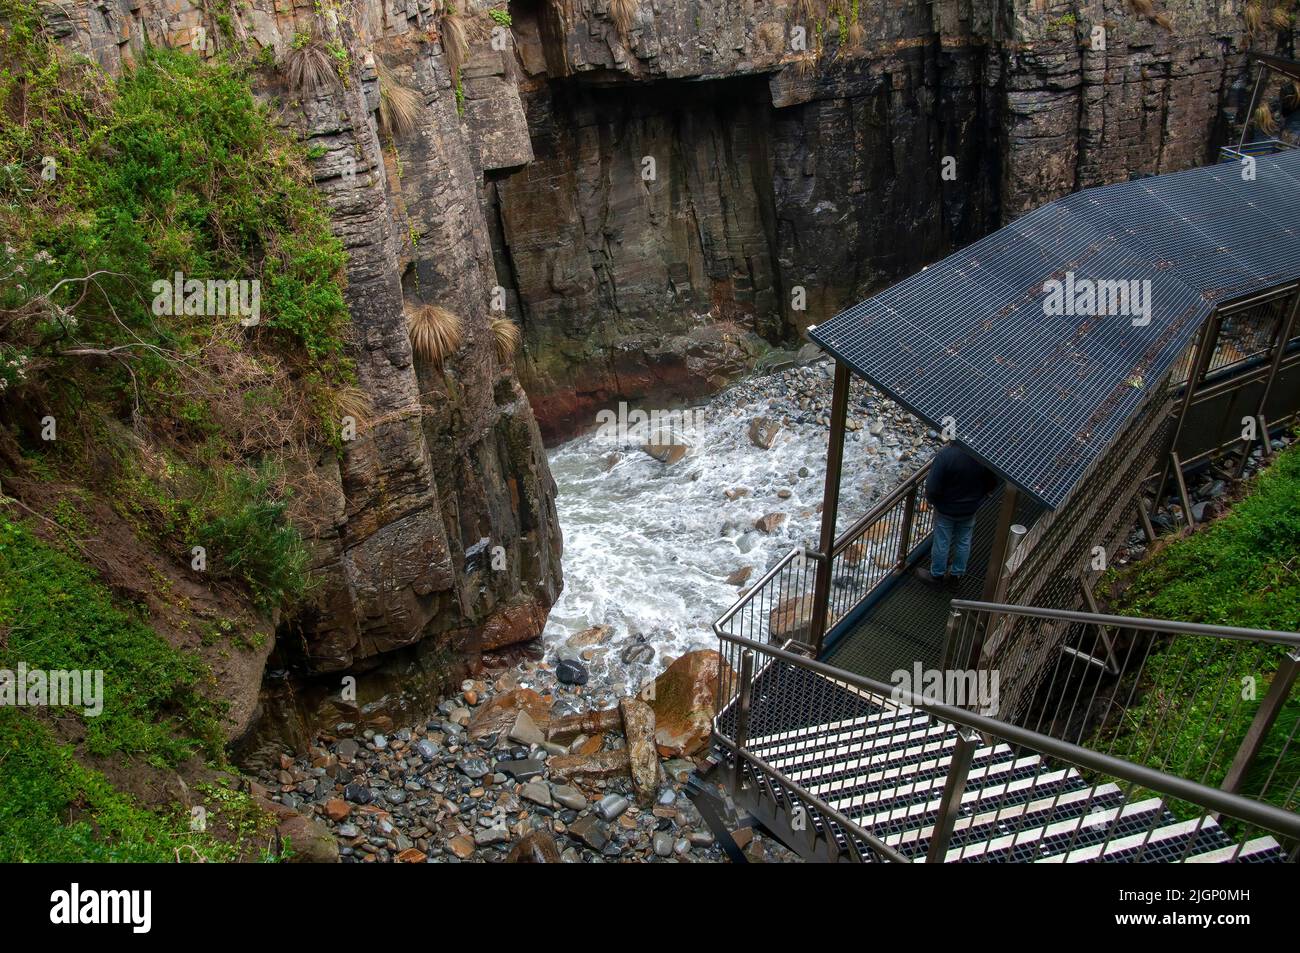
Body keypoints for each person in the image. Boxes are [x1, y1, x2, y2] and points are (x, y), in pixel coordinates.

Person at [915, 443, 999, 589]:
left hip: (946, 508)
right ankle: (956, 575)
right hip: (970, 508)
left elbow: (932, 488)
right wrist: (979, 498)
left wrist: (934, 501)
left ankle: (937, 576)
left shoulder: (945, 456)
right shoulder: (981, 454)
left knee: (942, 541)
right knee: (964, 541)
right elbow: (992, 482)